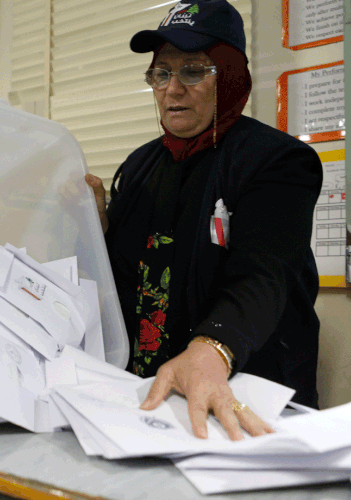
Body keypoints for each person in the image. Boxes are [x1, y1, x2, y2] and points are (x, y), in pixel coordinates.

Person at [85, 0, 322, 441]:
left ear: (230, 78)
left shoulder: (278, 161)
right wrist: (97, 234)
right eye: (161, 73)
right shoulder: (139, 167)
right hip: (153, 397)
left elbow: (264, 274)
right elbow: (130, 278)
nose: (172, 89)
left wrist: (212, 348)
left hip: (243, 389)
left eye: (193, 71)